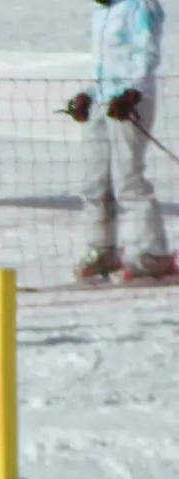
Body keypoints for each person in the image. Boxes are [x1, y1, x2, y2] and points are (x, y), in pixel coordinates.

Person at [67, 0, 173, 280]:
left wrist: (132, 92)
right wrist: (88, 93)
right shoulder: (101, 12)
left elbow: (146, 53)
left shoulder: (140, 5)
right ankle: (102, 249)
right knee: (95, 180)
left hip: (129, 101)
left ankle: (152, 253)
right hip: (103, 99)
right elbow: (102, 63)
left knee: (127, 178)